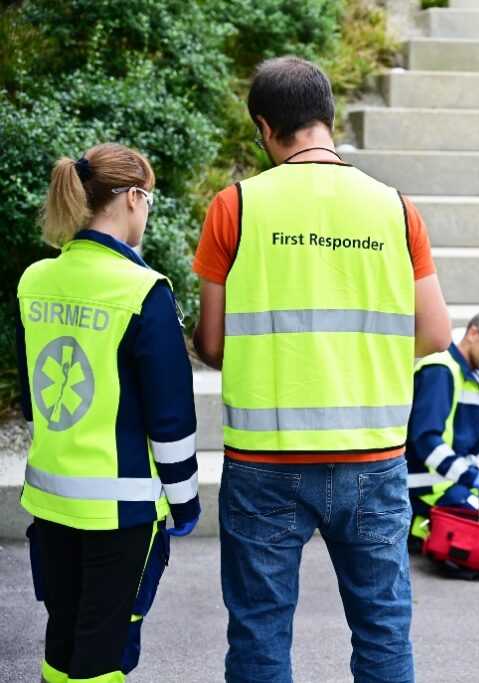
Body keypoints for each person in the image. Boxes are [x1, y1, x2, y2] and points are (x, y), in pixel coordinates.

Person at [191, 56, 450, 683]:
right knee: (383, 628)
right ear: (328, 119)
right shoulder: (396, 209)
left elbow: (214, 343)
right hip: (372, 457)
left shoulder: (236, 207)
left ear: (263, 125)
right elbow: (437, 334)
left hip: (266, 460)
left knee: (259, 630)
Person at [16, 142, 200, 683]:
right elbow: (170, 417)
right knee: (107, 648)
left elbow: (36, 396)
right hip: (121, 512)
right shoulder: (144, 290)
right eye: (150, 200)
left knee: (64, 636)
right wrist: (185, 503)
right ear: (133, 199)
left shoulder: (35, 281)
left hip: (50, 500)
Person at [406, 310, 479, 544]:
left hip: (450, 479)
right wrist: (472, 477)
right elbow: (426, 441)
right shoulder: (440, 371)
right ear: (473, 333)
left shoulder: (470, 375)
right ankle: (418, 527)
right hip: (426, 487)